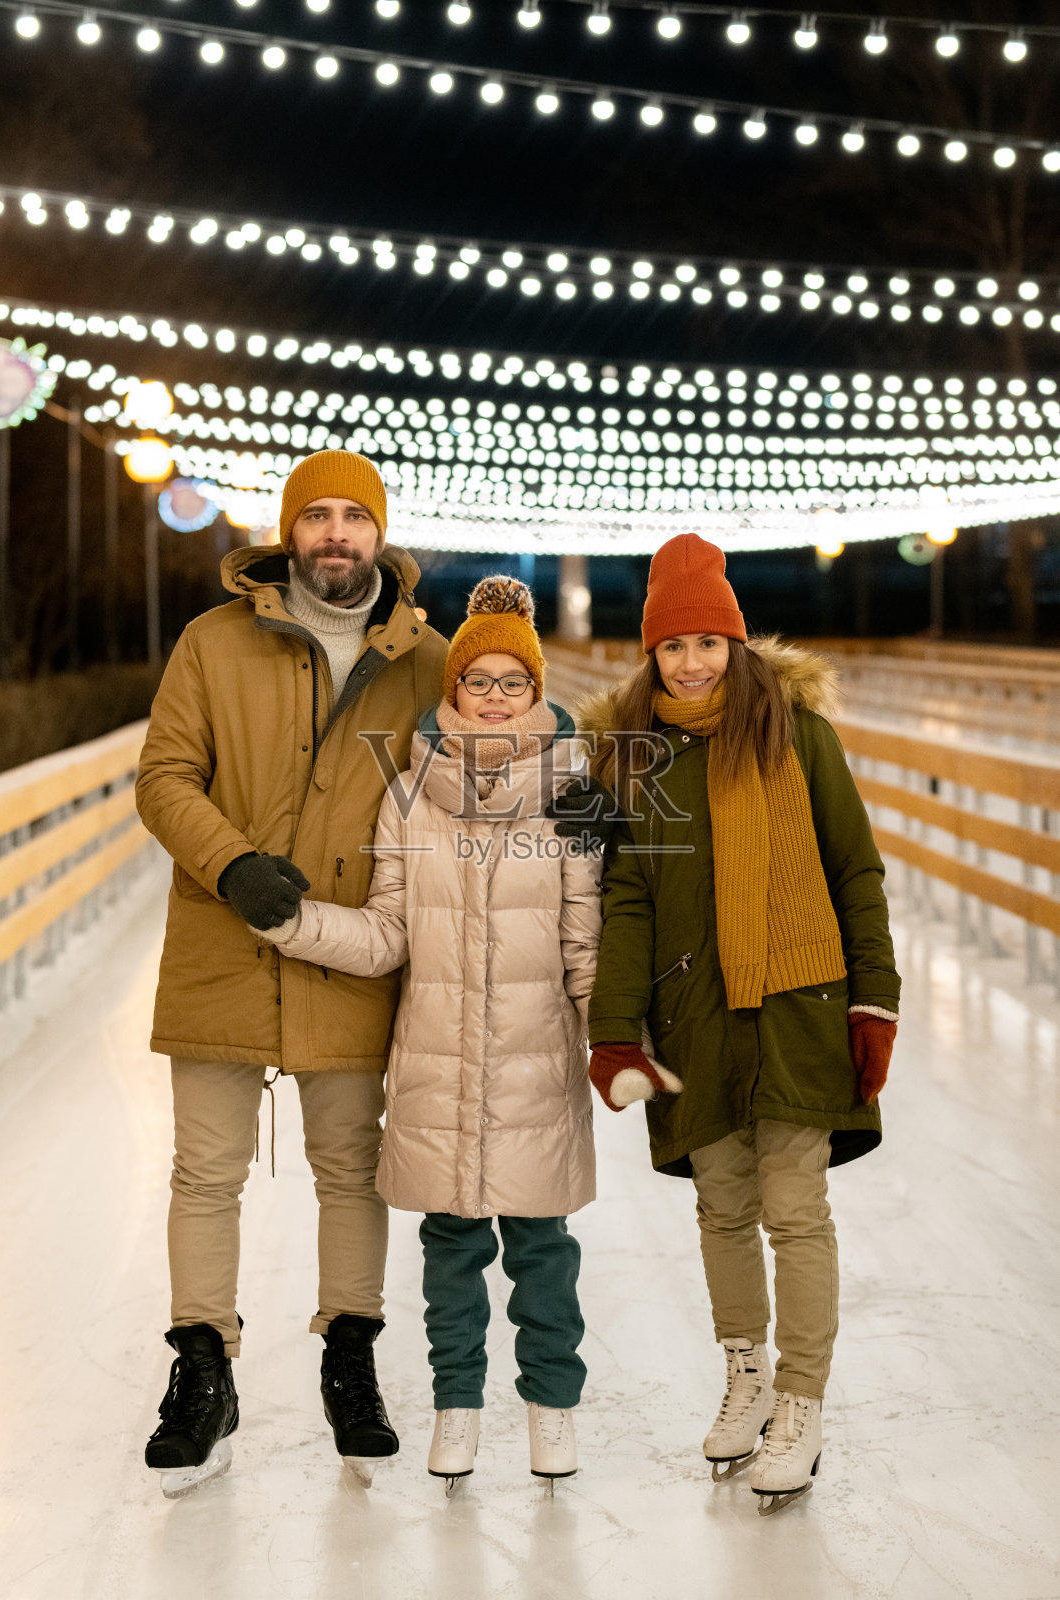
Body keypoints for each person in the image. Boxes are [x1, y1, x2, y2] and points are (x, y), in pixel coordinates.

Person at [134, 450, 447, 1496]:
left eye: (352, 518)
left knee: (351, 1169)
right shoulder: (213, 643)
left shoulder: (424, 662)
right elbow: (164, 775)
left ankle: (349, 1356)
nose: (333, 536)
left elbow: (490, 763)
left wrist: (572, 794)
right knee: (205, 1173)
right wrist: (228, 863)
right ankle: (200, 1366)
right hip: (224, 942)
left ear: (378, 536)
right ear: (288, 530)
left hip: (352, 951)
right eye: (314, 516)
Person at [257, 576, 601, 1491]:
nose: (493, 696)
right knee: (450, 1252)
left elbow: (585, 942)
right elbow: (388, 930)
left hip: (535, 1063)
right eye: (477, 681)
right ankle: (457, 1405)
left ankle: (551, 1408)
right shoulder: (408, 797)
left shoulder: (573, 794)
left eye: (511, 682)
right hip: (438, 1064)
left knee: (541, 1252)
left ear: (536, 693)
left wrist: (621, 1037)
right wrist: (296, 924)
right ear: (451, 693)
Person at [581, 533, 899, 1515]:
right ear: (650, 652)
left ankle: (799, 1402)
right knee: (721, 1206)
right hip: (694, 1014)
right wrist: (614, 1027)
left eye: (705, 642)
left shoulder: (798, 735)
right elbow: (624, 898)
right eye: (671, 645)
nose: (689, 661)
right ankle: (746, 1374)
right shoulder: (632, 757)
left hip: (800, 1004)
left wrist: (871, 995)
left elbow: (854, 868)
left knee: (792, 1207)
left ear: (733, 640)